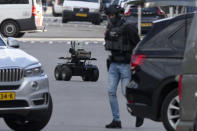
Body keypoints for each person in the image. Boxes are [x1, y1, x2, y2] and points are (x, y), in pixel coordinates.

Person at [104, 5, 144, 129]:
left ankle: (139, 113)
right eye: (109, 16)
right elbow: (108, 42)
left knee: (126, 93)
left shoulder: (129, 28)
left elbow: (138, 45)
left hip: (125, 65)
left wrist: (135, 63)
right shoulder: (109, 27)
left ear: (118, 15)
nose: (110, 18)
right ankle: (116, 121)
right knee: (111, 92)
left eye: (112, 15)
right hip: (113, 64)